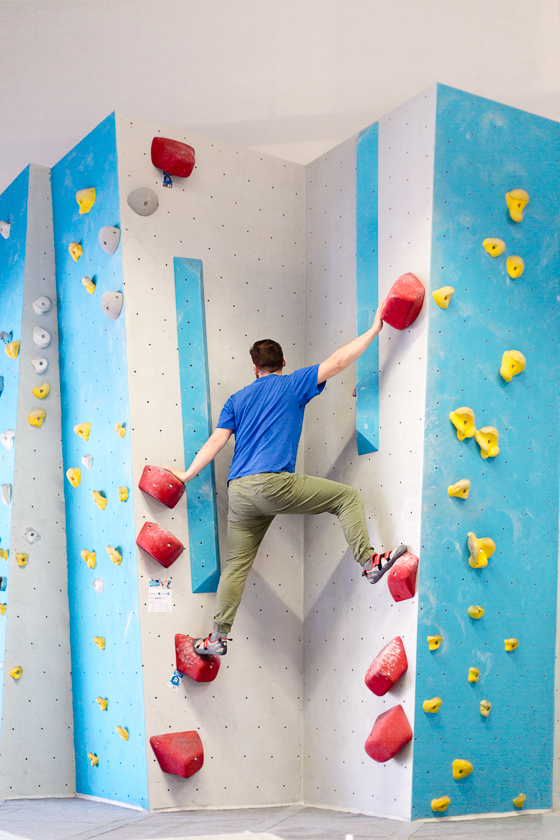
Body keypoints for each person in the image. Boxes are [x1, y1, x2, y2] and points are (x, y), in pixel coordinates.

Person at [165, 304, 406, 656]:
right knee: (347, 498)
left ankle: (217, 636)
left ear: (255, 368)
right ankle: (369, 562)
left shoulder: (237, 399)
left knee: (235, 565)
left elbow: (217, 441)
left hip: (240, 492)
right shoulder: (294, 384)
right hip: (272, 485)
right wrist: (373, 331)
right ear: (283, 363)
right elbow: (338, 361)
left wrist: (186, 474)